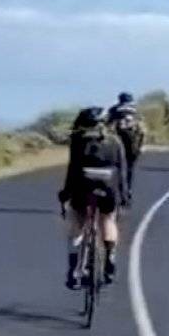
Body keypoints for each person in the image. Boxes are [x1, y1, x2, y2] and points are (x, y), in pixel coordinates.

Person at [58, 107, 129, 290]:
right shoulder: (114, 140)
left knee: (78, 223)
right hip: (109, 186)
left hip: (83, 186)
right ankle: (110, 257)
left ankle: (74, 271)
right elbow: (122, 170)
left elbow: (72, 170)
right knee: (107, 219)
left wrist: (65, 194)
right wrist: (124, 195)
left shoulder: (78, 140)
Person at [107, 92, 145, 201]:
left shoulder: (114, 109)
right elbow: (142, 130)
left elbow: (108, 125)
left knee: (116, 167)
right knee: (129, 168)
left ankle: (116, 189)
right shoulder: (136, 110)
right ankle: (127, 190)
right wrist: (141, 146)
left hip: (117, 142)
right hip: (133, 144)